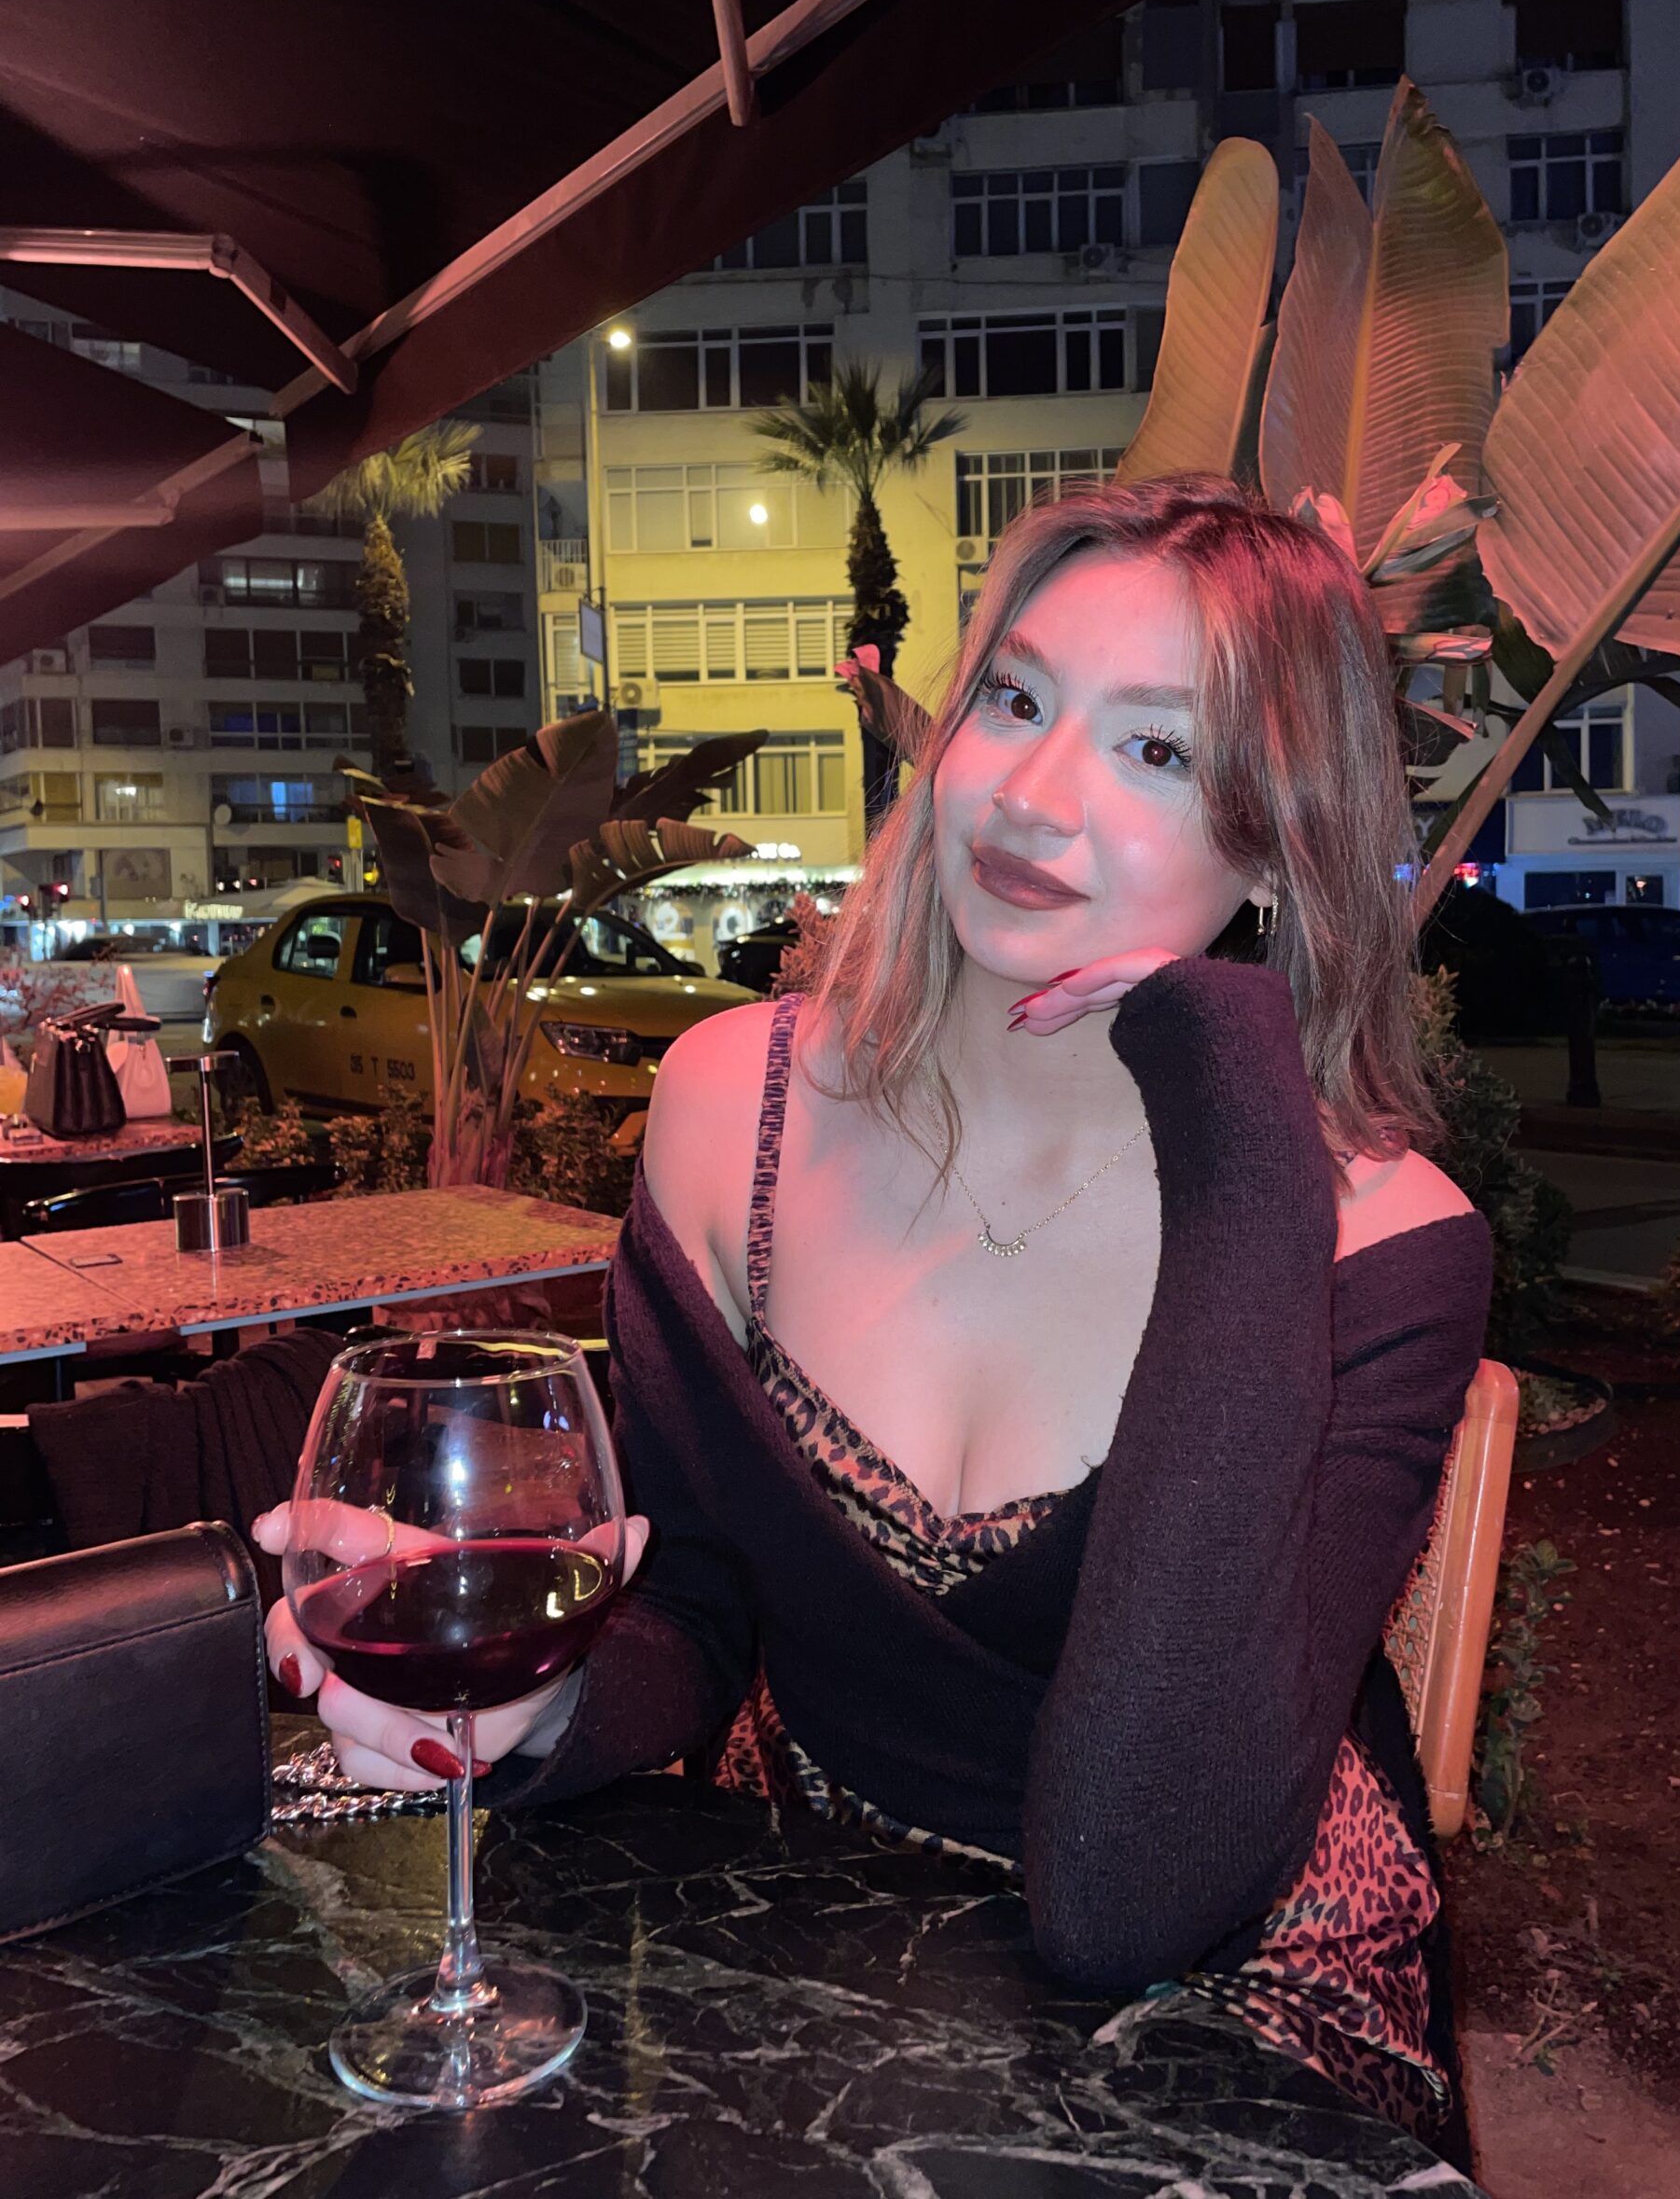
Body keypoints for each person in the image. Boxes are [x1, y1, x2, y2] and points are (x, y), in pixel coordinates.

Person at [259, 475, 1492, 2164]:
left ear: (1282, 836)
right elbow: (694, 1604)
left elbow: (1128, 1894)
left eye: (1158, 750)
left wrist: (1233, 1099)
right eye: (1016, 700)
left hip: (1240, 1989)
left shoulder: (1379, 1240)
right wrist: (540, 1711)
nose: (1032, 795)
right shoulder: (735, 1113)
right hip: (814, 1920)